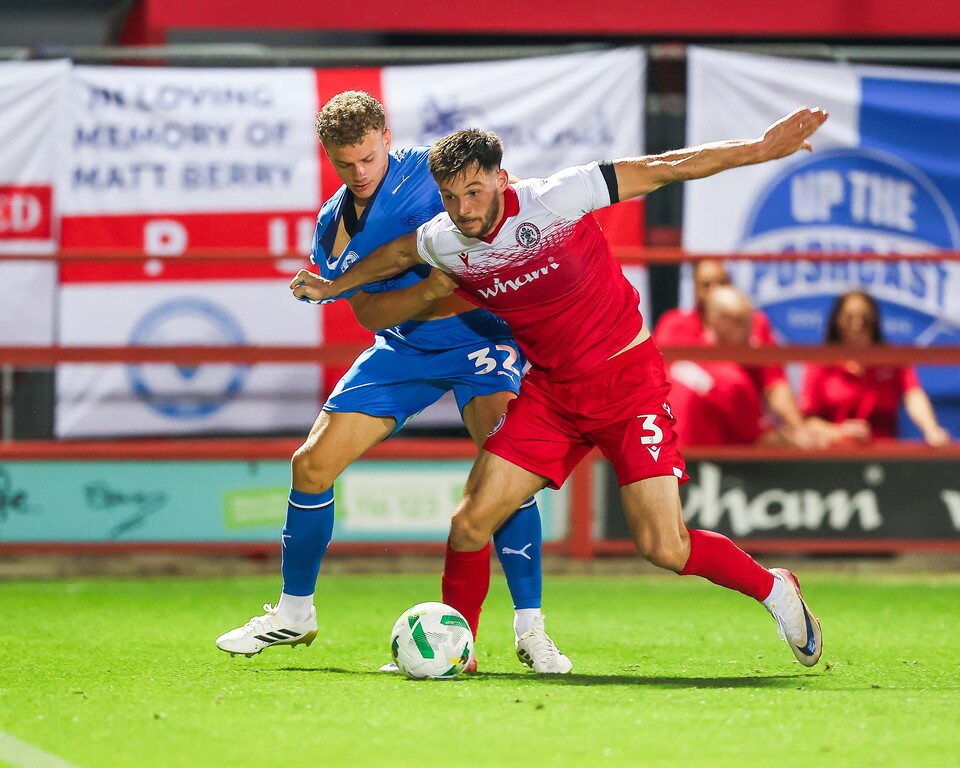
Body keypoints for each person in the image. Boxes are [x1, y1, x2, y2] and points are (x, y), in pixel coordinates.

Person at [296, 106, 830, 667]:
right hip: (552, 394)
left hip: (625, 386)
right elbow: (398, 253)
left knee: (664, 547)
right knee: (470, 524)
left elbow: (666, 167)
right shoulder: (444, 239)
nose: (463, 209)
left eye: (474, 192)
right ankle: (461, 649)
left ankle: (776, 590)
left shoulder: (557, 198)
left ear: (502, 178)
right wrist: (334, 285)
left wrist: (759, 149)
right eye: (450, 198)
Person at [217, 91, 572, 675]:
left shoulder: (435, 176)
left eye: (368, 157)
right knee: (310, 465)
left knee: (504, 476)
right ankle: (294, 612)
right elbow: (370, 316)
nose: (359, 172)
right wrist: (426, 291)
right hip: (404, 347)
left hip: (481, 340)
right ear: (328, 156)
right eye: (345, 163)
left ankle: (530, 629)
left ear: (386, 136)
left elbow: (500, 231)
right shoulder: (332, 227)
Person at [654, 259, 818, 445]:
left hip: (732, 432)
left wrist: (799, 429)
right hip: (689, 441)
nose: (715, 290)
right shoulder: (674, 325)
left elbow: (774, 383)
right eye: (706, 285)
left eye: (722, 282)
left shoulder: (757, 323)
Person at [801, 290, 951, 447]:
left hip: (884, 452)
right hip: (833, 453)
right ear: (837, 321)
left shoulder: (891, 358)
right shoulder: (820, 362)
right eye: (849, 318)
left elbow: (913, 395)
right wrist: (838, 433)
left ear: (875, 321)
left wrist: (931, 429)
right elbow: (808, 420)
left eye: (865, 318)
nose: (857, 325)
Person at [669, 286, 796, 447]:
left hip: (659, 458)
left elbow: (776, 386)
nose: (749, 329)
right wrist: (801, 440)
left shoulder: (681, 358)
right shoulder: (730, 378)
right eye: (738, 321)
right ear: (714, 320)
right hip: (698, 461)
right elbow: (764, 441)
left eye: (750, 320)